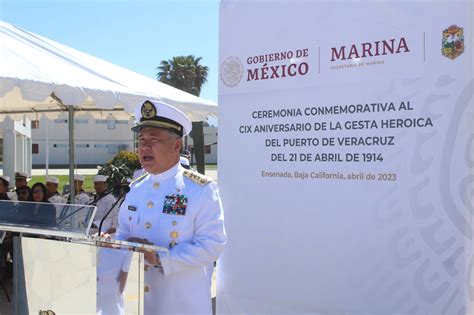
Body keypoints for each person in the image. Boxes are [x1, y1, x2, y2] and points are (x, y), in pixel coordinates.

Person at [116, 100, 226, 314]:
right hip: (137, 303)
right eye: (142, 140)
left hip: (180, 303)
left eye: (153, 139)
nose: (144, 147)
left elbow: (213, 244)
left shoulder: (200, 189)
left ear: (177, 146)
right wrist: (118, 245)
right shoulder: (136, 188)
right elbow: (123, 231)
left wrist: (160, 258)